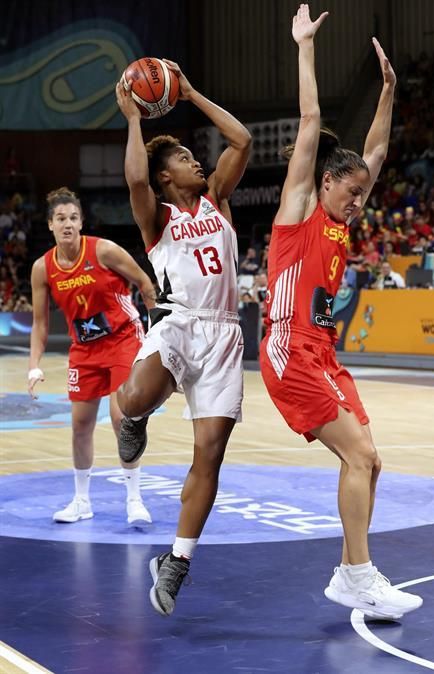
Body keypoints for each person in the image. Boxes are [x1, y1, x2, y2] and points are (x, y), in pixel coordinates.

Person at [259, 5, 422, 619]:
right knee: (359, 456)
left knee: (371, 460)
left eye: (362, 194)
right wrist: (304, 46)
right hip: (287, 346)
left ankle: (353, 573)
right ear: (324, 184)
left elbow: (376, 153)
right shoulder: (298, 212)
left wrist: (387, 93)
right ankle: (356, 574)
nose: (359, 202)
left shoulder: (342, 218)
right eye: (351, 192)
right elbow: (309, 121)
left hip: (322, 353)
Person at [116, 60, 251, 616]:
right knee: (140, 396)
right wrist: (132, 118)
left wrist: (191, 93)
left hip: (223, 336)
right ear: (168, 176)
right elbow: (135, 179)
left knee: (210, 454)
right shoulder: (158, 217)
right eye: (184, 158)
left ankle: (177, 559)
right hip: (178, 322)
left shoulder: (218, 198)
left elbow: (240, 140)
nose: (196, 161)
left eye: (195, 156)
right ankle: (131, 417)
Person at [28, 187, 155, 525]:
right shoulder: (43, 268)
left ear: (81, 221)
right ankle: (81, 502)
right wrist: (33, 366)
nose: (67, 224)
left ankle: (134, 500)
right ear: (50, 225)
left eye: (73, 217)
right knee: (80, 425)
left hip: (123, 339)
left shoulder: (104, 251)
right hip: (84, 349)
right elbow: (40, 324)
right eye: (60, 219)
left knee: (120, 419)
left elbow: (144, 282)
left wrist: (159, 332)